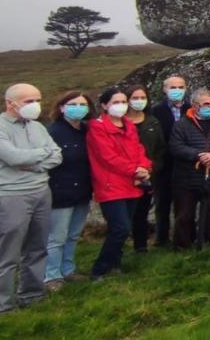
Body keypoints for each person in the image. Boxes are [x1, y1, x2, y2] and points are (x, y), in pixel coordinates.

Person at [0, 84, 62, 315]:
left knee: (37, 248)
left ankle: (32, 294)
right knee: (7, 254)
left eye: (38, 99)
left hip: (41, 192)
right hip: (9, 196)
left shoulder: (37, 127)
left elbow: (56, 155)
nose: (35, 105)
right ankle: (1, 306)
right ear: (10, 103)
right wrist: (39, 156)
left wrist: (33, 162)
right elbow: (13, 158)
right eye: (28, 101)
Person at [87, 87, 152, 280]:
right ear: (105, 105)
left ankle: (115, 264)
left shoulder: (128, 125)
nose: (121, 106)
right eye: (116, 102)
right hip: (111, 184)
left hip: (132, 183)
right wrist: (135, 170)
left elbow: (138, 149)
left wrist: (144, 167)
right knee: (120, 228)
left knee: (124, 226)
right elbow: (108, 157)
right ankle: (100, 269)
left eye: (124, 102)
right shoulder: (97, 128)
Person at [169, 88, 210, 248]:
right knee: (184, 214)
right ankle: (182, 246)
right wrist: (198, 155)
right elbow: (176, 147)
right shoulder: (181, 125)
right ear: (195, 105)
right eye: (206, 104)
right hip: (187, 178)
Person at [45, 91, 93, 290]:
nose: (79, 108)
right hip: (60, 191)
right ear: (62, 107)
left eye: (83, 105)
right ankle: (51, 276)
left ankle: (68, 269)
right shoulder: (53, 132)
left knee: (73, 234)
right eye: (73, 104)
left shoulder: (87, 130)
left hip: (82, 189)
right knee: (57, 237)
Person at [125, 85, 166, 254]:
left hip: (148, 175)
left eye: (143, 98)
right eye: (135, 98)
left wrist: (150, 170)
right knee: (124, 215)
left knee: (142, 212)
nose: (139, 101)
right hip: (125, 175)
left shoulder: (152, 121)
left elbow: (160, 148)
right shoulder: (120, 122)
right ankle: (118, 248)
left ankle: (140, 247)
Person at [148, 74, 188, 246]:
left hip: (186, 163)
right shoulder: (156, 111)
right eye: (173, 87)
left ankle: (182, 238)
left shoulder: (191, 109)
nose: (177, 91)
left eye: (180, 87)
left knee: (184, 203)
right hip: (164, 164)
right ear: (165, 89)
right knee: (162, 203)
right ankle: (161, 239)